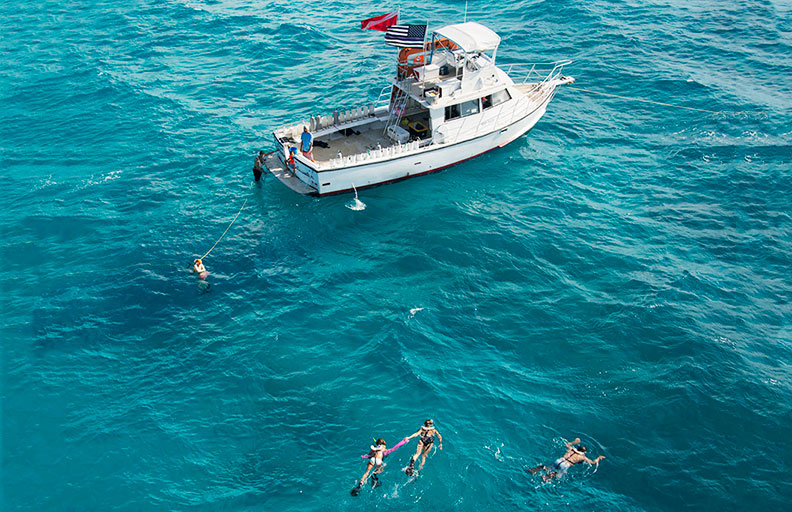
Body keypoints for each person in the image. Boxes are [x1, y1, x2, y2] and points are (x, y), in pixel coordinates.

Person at [527, 437, 605, 481]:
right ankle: (548, 477)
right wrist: (598, 458)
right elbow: (593, 462)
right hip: (566, 465)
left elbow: (567, 444)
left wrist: (575, 441)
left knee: (547, 468)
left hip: (559, 460)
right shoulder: (583, 457)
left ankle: (540, 468)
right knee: (558, 477)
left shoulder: (571, 449)